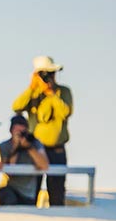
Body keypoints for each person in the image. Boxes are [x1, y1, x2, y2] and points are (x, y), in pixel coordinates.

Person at [12, 56, 74, 207]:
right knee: (32, 190)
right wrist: (32, 87)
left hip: (57, 150)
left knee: (57, 191)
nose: (49, 77)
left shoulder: (63, 92)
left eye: (51, 73)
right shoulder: (33, 94)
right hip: (36, 150)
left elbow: (65, 112)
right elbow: (16, 107)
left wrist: (52, 94)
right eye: (45, 74)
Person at [0, 114, 52, 206]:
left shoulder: (34, 143)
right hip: (11, 189)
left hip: (29, 194)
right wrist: (16, 148)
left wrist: (29, 147)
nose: (21, 135)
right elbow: (10, 172)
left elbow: (44, 165)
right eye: (18, 132)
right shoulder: (4, 146)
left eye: (23, 132)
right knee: (6, 196)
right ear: (11, 131)